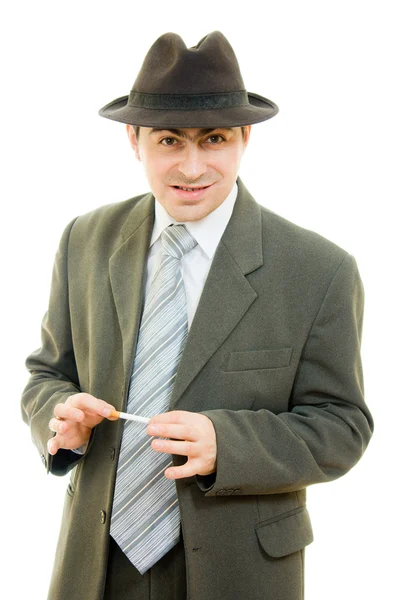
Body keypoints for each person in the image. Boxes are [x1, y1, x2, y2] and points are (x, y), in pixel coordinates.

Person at [21, 31, 373, 600]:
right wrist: (58, 419)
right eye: (168, 140)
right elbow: (46, 374)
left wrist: (226, 443)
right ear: (134, 140)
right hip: (97, 561)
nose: (191, 166)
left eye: (213, 139)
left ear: (245, 139)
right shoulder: (84, 240)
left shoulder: (319, 269)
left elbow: (343, 426)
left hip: (240, 567)